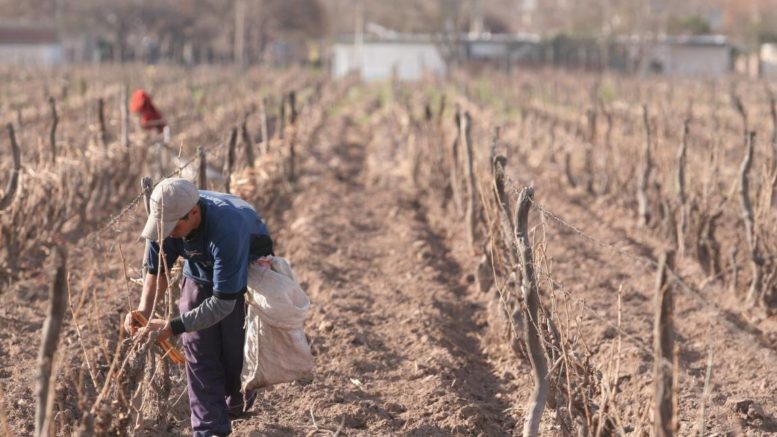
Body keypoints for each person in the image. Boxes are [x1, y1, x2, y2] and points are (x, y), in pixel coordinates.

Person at [123, 177, 273, 437]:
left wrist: (172, 326)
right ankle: (209, 430)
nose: (168, 232)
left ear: (194, 212)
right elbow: (157, 272)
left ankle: (237, 396)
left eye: (174, 226)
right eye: (164, 227)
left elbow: (223, 303)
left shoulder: (228, 229)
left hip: (243, 260)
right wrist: (143, 313)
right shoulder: (165, 221)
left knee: (234, 348)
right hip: (199, 264)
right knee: (198, 347)